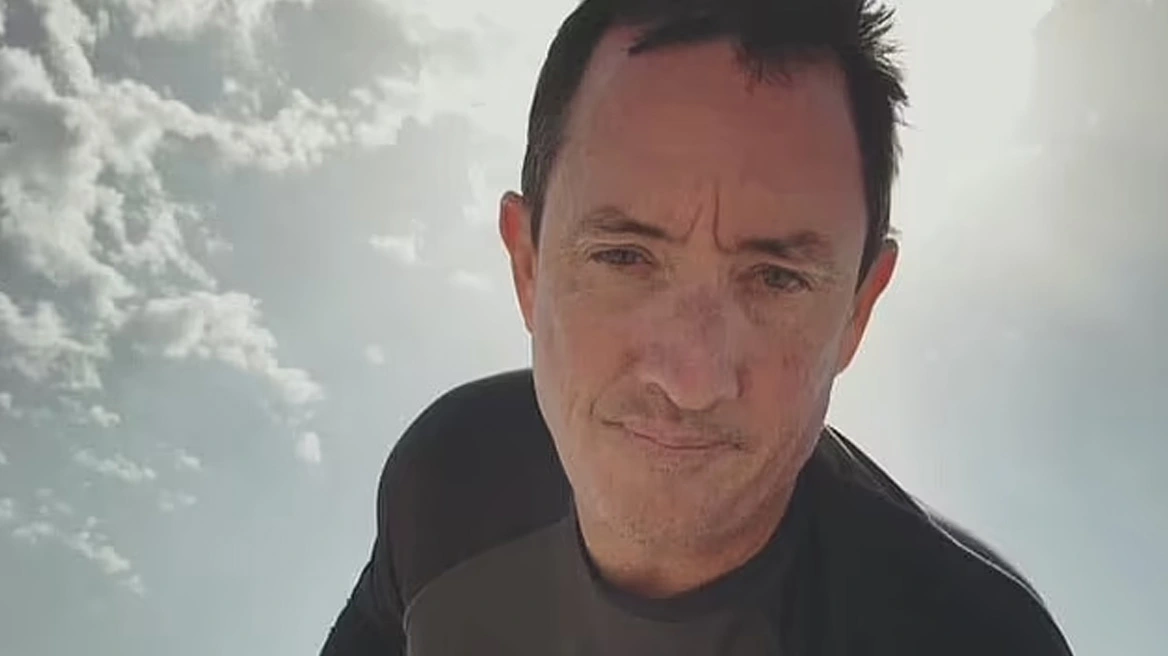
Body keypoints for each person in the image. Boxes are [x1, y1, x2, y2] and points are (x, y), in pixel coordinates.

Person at [320, 0, 1075, 653]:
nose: (691, 378)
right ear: (528, 266)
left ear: (858, 311)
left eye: (777, 278)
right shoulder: (448, 485)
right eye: (623, 256)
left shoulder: (974, 639)